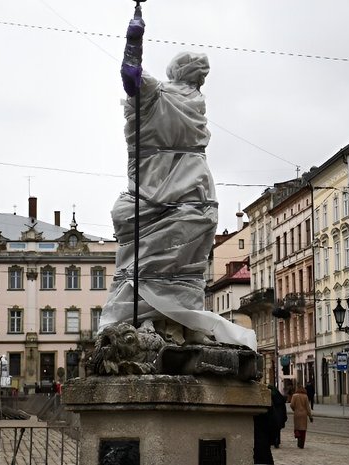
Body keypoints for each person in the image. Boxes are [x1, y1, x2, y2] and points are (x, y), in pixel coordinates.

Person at [102, 0, 257, 351]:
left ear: (174, 72)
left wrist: (134, 36)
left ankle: (152, 320)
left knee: (154, 262)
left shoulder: (159, 96)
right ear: (197, 78)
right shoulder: (191, 102)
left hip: (157, 190)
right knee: (185, 263)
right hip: (197, 193)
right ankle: (179, 322)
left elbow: (130, 75)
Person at [269, 384, 287, 448]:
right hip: (279, 417)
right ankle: (277, 441)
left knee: (272, 429)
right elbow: (284, 409)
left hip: (272, 416)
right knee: (277, 430)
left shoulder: (270, 397)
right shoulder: (280, 397)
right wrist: (284, 417)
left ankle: (273, 441)